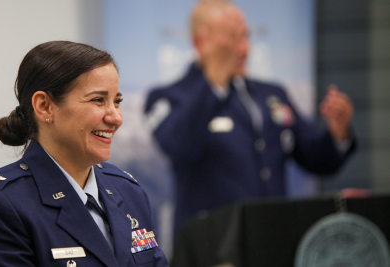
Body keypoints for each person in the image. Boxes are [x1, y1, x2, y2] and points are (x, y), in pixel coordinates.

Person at [145, 0, 356, 236]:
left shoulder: (272, 94)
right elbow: (179, 146)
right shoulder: (169, 97)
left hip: (272, 242)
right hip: (212, 245)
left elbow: (316, 158)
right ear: (200, 41)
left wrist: (338, 133)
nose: (243, 49)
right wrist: (215, 80)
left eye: (245, 37)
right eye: (232, 38)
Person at [0, 41, 169, 267]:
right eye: (98, 100)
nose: (116, 118)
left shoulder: (129, 191)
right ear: (44, 106)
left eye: (117, 102)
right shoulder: (1, 202)